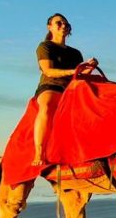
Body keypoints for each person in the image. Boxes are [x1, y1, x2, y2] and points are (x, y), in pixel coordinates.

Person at [32, 13, 97, 165]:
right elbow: (48, 71)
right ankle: (39, 152)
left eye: (65, 24)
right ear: (50, 27)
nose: (63, 26)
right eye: (58, 23)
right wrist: (74, 71)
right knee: (47, 106)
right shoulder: (45, 46)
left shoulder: (75, 53)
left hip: (72, 88)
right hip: (51, 85)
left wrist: (90, 68)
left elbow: (80, 76)